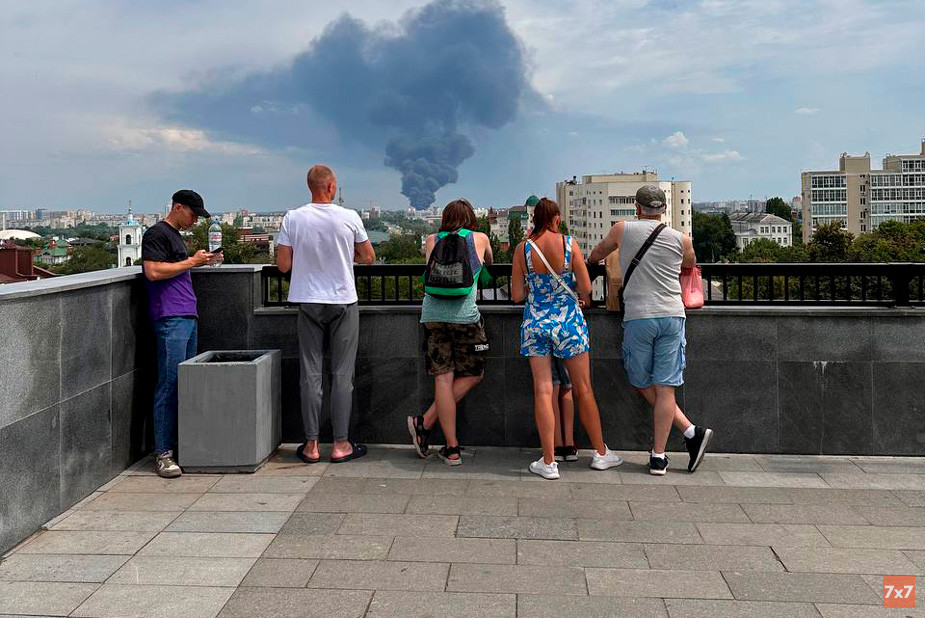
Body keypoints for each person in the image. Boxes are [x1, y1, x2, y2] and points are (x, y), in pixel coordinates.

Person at [587, 185, 713, 476]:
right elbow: (690, 265)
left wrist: (591, 265)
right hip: (672, 314)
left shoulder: (622, 229)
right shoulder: (682, 239)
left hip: (639, 317)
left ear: (637, 207)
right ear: (665, 209)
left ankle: (690, 432)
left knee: (641, 381)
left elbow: (597, 254)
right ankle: (661, 455)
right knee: (666, 387)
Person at [511, 198, 624, 479]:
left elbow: (516, 295)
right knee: (583, 389)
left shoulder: (522, 248)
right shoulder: (569, 244)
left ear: (535, 219)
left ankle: (548, 462)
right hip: (569, 322)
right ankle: (600, 453)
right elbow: (586, 287)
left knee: (543, 390)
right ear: (556, 218)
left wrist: (534, 285)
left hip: (536, 322)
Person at [277, 165, 376, 464]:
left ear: (310, 187)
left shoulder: (293, 218)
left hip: (307, 301)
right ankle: (342, 444)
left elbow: (282, 265)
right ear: (331, 187)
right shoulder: (349, 217)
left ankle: (311, 446)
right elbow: (368, 257)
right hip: (343, 301)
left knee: (310, 375)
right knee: (342, 375)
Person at [142, 189, 221, 478]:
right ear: (177, 207)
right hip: (170, 317)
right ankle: (163, 453)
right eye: (192, 214)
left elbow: (172, 269)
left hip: (186, 315)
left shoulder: (174, 236)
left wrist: (202, 262)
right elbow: (152, 271)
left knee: (184, 384)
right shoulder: (156, 234)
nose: (194, 221)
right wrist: (191, 262)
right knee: (170, 383)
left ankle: (179, 446)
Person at [407, 199, 492, 465]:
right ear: (470, 218)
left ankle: (450, 447)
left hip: (432, 316)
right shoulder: (479, 237)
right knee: (475, 374)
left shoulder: (433, 239)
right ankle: (426, 422)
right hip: (465, 318)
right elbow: (489, 262)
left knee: (443, 380)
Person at [551, 358, 577, 462]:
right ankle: (570, 446)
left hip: (543, 345)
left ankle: (557, 445)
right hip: (566, 343)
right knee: (567, 389)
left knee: (553, 389)